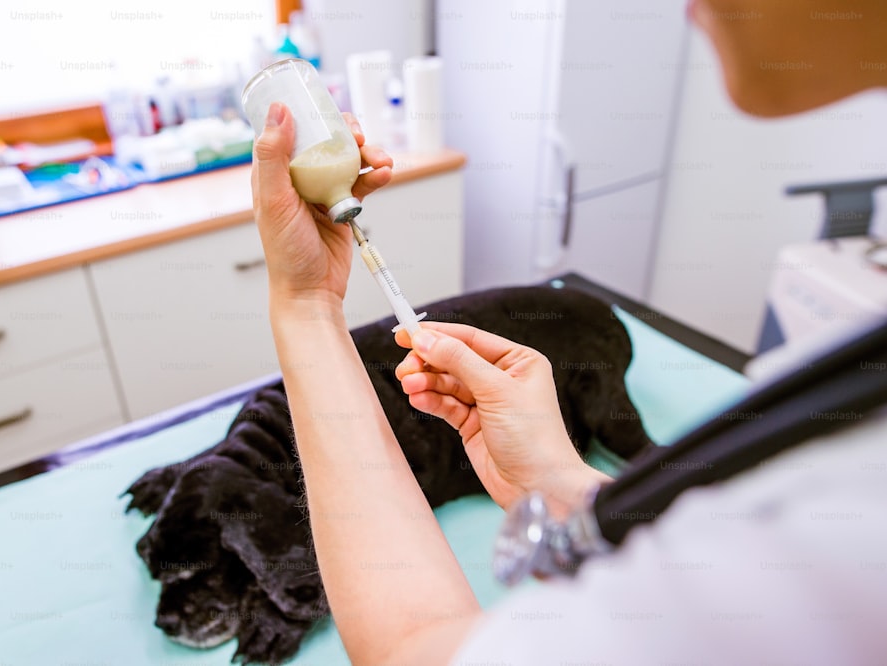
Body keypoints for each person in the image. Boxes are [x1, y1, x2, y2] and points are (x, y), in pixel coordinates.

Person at [249, 1, 887, 663]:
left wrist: (304, 304)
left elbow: (417, 648)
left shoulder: (847, 525)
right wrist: (557, 480)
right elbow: (695, 553)